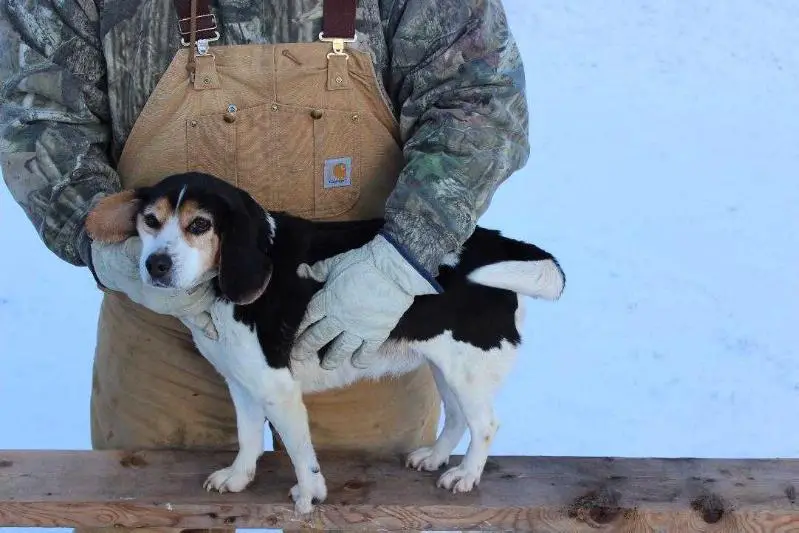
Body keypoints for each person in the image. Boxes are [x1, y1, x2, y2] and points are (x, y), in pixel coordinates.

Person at [0, 0, 529, 529]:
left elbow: (480, 101)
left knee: (366, 518)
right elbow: (34, 114)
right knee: (147, 517)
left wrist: (404, 257)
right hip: (166, 334)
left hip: (364, 327)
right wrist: (109, 247)